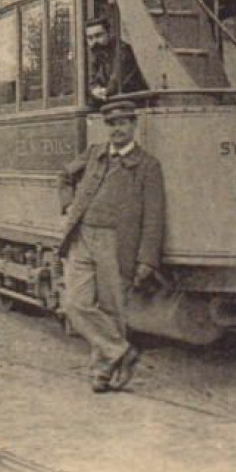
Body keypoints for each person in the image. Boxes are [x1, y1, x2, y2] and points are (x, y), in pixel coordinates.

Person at [57, 100, 167, 392]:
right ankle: (121, 351)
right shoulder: (95, 154)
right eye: (111, 124)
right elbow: (65, 175)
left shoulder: (147, 165)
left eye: (122, 123)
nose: (116, 130)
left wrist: (147, 259)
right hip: (82, 237)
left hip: (116, 243)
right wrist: (67, 204)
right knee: (74, 303)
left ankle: (103, 372)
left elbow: (154, 216)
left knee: (112, 309)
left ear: (133, 126)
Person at [85, 16, 147, 109]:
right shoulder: (97, 55)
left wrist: (104, 92)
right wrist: (94, 90)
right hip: (114, 103)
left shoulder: (123, 50)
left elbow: (116, 80)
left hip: (134, 106)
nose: (94, 42)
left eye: (98, 35)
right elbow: (92, 80)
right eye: (90, 38)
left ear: (109, 33)